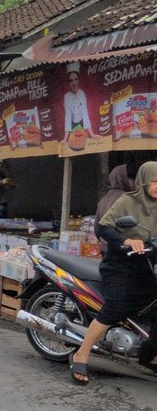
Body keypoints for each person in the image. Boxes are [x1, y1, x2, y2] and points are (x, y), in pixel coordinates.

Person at [71, 161, 157, 385]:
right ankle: (82, 353)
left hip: (147, 267)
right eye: (155, 181)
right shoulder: (127, 201)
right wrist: (126, 240)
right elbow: (105, 227)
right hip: (120, 266)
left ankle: (148, 354)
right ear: (144, 182)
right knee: (116, 306)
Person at [62, 63, 96, 140]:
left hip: (83, 124)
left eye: (76, 79)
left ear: (79, 80)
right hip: (72, 126)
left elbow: (85, 114)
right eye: (71, 81)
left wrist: (92, 134)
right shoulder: (66, 97)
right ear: (68, 83)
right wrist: (65, 139)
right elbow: (68, 117)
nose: (74, 83)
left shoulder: (82, 94)